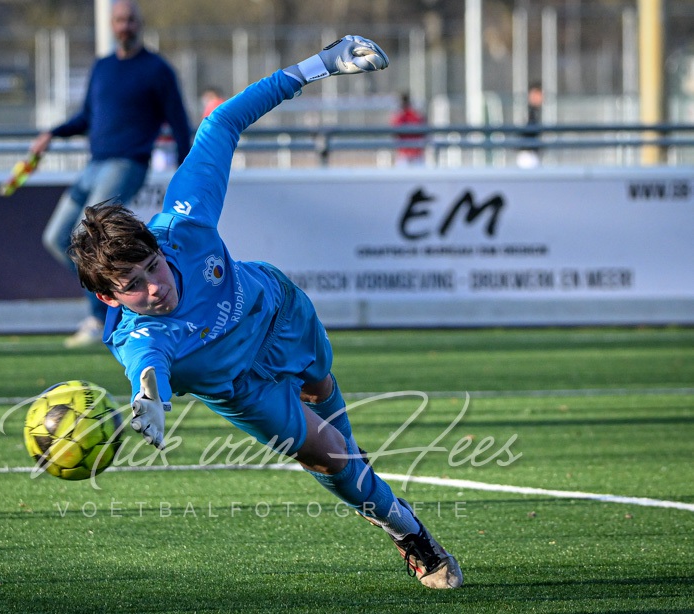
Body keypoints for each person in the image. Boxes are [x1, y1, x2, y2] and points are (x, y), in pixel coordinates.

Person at [68, 35, 463, 590]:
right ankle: (409, 533)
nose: (155, 288)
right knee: (333, 461)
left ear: (157, 245)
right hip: (243, 390)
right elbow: (147, 367)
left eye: (153, 267)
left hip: (278, 312)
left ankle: (357, 469)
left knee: (324, 393)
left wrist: (320, 64)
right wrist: (147, 399)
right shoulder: (137, 335)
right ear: (109, 299)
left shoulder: (183, 224)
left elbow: (221, 123)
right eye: (132, 286)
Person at [28, 0, 192, 348]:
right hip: (94, 165)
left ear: (139, 23)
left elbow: (179, 123)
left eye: (130, 20)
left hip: (127, 164)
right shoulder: (102, 67)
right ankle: (110, 309)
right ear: (111, 24)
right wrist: (52, 133)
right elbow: (86, 117)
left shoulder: (157, 69)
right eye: (119, 20)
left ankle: (102, 318)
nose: (125, 26)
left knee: (85, 239)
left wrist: (187, 172)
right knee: (57, 238)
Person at [390, 92, 426, 166]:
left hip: (415, 153)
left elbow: (423, 131)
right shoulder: (401, 116)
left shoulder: (414, 115)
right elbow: (395, 132)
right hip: (405, 154)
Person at [517, 81, 543, 168]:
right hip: (527, 154)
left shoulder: (538, 112)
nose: (540, 97)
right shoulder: (528, 112)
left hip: (533, 153)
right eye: (537, 94)